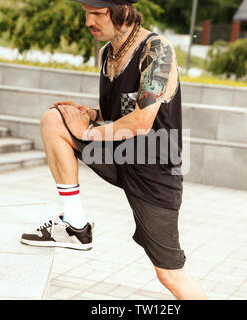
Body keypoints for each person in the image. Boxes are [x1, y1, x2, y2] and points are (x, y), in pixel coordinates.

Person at [21, 0, 207, 300]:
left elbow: (142, 120)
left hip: (155, 170)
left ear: (121, 11)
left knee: (170, 275)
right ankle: (75, 225)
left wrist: (88, 131)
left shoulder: (157, 50)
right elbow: (119, 112)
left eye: (96, 14)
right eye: (86, 14)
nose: (88, 22)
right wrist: (90, 115)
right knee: (54, 120)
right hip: (119, 155)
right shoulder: (108, 53)